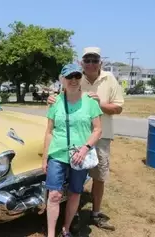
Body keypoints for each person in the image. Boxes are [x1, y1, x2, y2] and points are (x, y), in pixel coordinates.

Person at [47, 47, 124, 231]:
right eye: (87, 60)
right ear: (82, 63)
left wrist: (99, 104)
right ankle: (72, 217)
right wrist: (53, 98)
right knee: (71, 182)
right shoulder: (75, 77)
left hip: (100, 136)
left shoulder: (109, 79)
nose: (91, 63)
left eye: (94, 59)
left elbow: (119, 108)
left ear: (100, 62)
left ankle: (95, 214)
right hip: (71, 140)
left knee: (98, 176)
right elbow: (62, 98)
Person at [42, 63, 103, 237]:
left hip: (80, 156)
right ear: (62, 80)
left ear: (81, 78)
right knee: (54, 194)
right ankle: (51, 234)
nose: (74, 80)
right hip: (58, 154)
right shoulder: (55, 102)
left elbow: (98, 130)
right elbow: (49, 132)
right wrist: (44, 158)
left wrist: (85, 149)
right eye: (69, 77)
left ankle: (66, 228)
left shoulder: (90, 102)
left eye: (77, 76)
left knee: (75, 193)